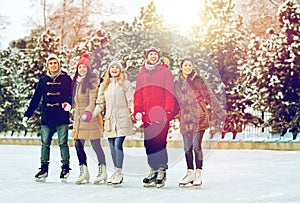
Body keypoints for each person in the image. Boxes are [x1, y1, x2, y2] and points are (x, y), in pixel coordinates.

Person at [173, 58, 224, 187]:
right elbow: (175, 101)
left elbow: (209, 96)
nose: (188, 67)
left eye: (190, 65)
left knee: (196, 146)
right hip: (185, 118)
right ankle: (189, 172)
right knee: (187, 148)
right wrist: (167, 115)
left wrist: (220, 111)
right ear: (181, 67)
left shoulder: (198, 80)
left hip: (199, 116)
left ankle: (198, 173)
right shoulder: (177, 82)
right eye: (185, 65)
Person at [22, 53, 72, 182]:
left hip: (61, 114)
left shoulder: (66, 79)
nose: (53, 65)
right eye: (51, 63)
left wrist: (69, 104)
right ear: (47, 65)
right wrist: (27, 115)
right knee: (45, 143)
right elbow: (36, 99)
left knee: (63, 143)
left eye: (55, 63)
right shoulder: (43, 80)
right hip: (47, 115)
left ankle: (65, 167)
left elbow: (71, 94)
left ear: (59, 64)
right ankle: (44, 169)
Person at [134, 47, 175, 188]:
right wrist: (137, 110)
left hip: (161, 113)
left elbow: (170, 92)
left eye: (155, 54)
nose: (152, 56)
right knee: (149, 143)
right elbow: (138, 93)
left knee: (159, 143)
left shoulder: (165, 71)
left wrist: (169, 110)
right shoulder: (142, 72)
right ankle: (153, 169)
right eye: (150, 54)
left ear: (158, 57)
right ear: (147, 57)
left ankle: (162, 169)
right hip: (146, 115)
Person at [93, 60, 134, 186]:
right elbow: (100, 103)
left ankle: (119, 172)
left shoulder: (126, 84)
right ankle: (116, 172)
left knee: (117, 144)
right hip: (109, 120)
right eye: (112, 68)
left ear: (120, 70)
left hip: (122, 119)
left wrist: (134, 112)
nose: (115, 69)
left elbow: (131, 100)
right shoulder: (104, 85)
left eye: (117, 67)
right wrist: (93, 114)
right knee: (111, 146)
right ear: (109, 70)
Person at [70, 53, 107, 185]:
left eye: (84, 68)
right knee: (78, 145)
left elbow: (92, 101)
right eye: (80, 68)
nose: (82, 70)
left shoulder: (91, 82)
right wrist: (69, 106)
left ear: (88, 69)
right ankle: (83, 170)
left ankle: (102, 170)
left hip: (89, 118)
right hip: (78, 120)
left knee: (95, 145)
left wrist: (87, 113)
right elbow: (75, 101)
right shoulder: (76, 82)